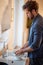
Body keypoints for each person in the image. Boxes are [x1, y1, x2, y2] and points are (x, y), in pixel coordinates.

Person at [15, 1, 43, 65]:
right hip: (35, 56)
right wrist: (23, 47)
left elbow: (35, 45)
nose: (27, 15)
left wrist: (22, 51)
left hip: (37, 58)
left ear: (33, 11)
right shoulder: (36, 19)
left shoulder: (38, 23)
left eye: (27, 13)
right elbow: (32, 39)